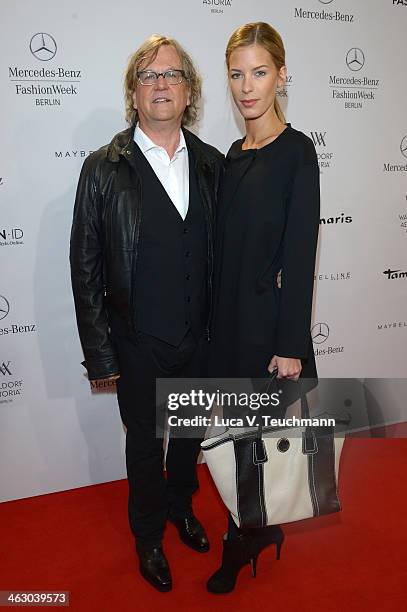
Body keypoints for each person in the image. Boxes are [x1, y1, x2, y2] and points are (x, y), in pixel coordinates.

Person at [70, 35, 223, 592]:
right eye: (149, 76)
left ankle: (182, 508)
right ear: (134, 93)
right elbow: (83, 267)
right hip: (137, 340)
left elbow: (225, 253)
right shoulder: (103, 168)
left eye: (173, 75)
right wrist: (100, 355)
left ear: (189, 93)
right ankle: (148, 537)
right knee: (144, 442)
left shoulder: (211, 164)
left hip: (199, 335)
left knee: (187, 433)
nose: (162, 84)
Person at [206, 22, 320, 594]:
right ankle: (255, 531)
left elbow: (300, 254)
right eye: (236, 73)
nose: (246, 87)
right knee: (229, 441)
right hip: (224, 326)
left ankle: (239, 540)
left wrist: (290, 344)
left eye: (259, 72)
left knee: (253, 441)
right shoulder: (232, 153)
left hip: (265, 327)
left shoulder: (297, 153)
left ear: (280, 74)